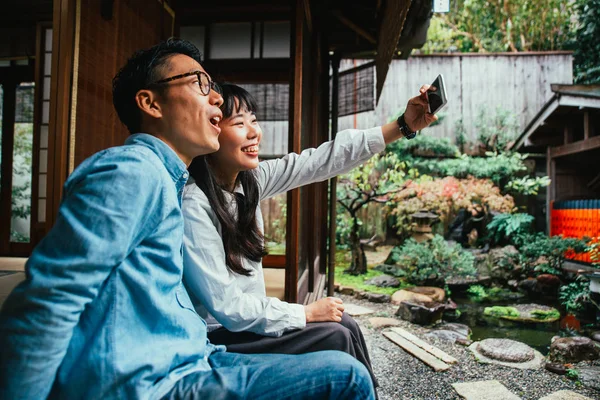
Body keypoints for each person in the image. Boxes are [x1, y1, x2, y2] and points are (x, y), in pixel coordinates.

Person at [0, 39, 375, 400]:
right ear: (151, 103)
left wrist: (399, 127)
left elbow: (311, 162)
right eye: (198, 83)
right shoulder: (133, 171)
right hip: (158, 381)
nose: (215, 97)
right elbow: (49, 300)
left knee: (338, 345)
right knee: (345, 375)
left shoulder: (172, 180)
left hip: (195, 356)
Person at [182, 84, 437, 388]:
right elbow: (229, 308)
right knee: (335, 333)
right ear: (211, 132)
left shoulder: (249, 183)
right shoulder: (194, 204)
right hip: (219, 338)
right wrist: (304, 312)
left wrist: (403, 126)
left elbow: (319, 160)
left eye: (253, 120)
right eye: (239, 123)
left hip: (248, 326)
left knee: (344, 324)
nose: (254, 132)